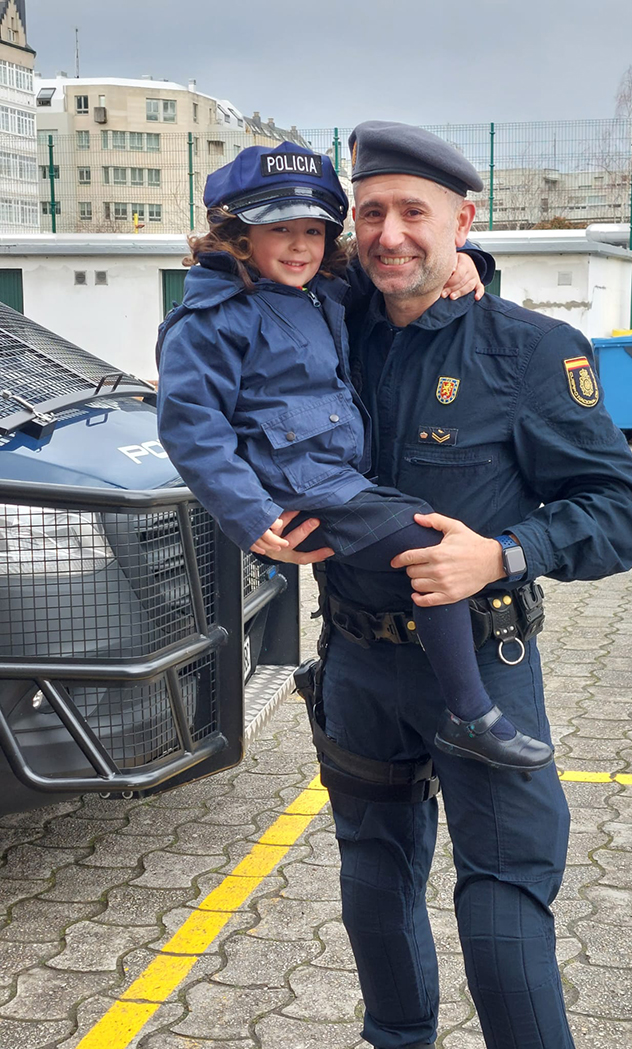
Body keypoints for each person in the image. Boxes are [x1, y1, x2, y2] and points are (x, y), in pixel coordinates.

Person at [271, 121, 632, 1049]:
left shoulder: (529, 350)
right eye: (371, 212)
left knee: (501, 905)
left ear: (462, 222)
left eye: (415, 212)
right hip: (357, 664)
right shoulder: (325, 328)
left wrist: (502, 553)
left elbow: (618, 512)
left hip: (481, 667)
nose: (389, 233)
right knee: (372, 880)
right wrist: (261, 530)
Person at [155, 142, 552, 773]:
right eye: (279, 229)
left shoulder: (323, 290)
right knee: (433, 549)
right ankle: (472, 714)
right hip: (299, 491)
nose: (300, 246)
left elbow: (406, 264)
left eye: (314, 230)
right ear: (238, 235)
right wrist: (250, 517)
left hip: (337, 480)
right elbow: (192, 430)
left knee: (428, 547)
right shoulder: (211, 319)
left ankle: (465, 711)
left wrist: (467, 259)